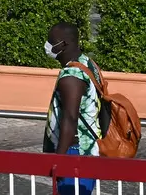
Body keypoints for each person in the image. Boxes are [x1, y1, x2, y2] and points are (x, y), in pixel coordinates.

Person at [43, 23, 102, 195]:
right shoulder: (88, 64)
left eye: (51, 41)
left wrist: (58, 162)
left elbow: (70, 118)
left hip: (75, 154)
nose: (47, 45)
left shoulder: (71, 76)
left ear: (63, 44)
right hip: (88, 151)